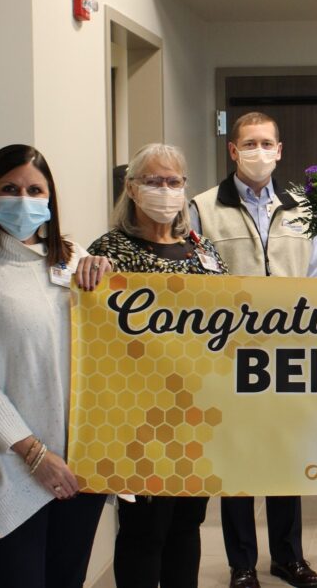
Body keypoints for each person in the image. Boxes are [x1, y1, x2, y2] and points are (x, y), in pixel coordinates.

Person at [0, 144, 109, 588]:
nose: (24, 198)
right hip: (6, 469)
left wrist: (110, 279)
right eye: (10, 189)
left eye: (36, 189)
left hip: (78, 467)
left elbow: (107, 350)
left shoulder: (74, 262)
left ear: (50, 199)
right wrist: (36, 455)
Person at [189, 112, 317, 588]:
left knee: (286, 458)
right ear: (233, 150)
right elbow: (191, 284)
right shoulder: (203, 208)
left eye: (267, 143)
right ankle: (242, 564)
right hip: (231, 357)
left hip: (290, 352)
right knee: (240, 461)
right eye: (249, 143)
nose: (259, 151)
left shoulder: (303, 209)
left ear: (280, 150)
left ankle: (288, 557)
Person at [88, 143, 227, 588]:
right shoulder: (111, 249)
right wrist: (89, 274)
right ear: (131, 188)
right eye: (154, 181)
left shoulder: (200, 248)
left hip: (196, 415)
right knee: (146, 532)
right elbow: (95, 324)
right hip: (140, 419)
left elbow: (230, 313)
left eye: (174, 182)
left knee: (187, 526)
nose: (165, 191)